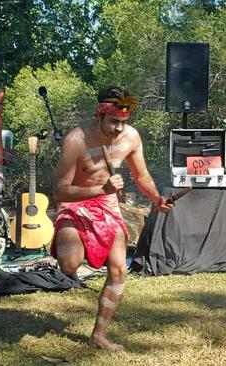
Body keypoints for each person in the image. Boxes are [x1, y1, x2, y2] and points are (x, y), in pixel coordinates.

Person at [51, 86, 174, 351]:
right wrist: (100, 189)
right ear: (99, 114)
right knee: (69, 265)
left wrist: (156, 199)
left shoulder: (131, 138)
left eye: (123, 122)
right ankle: (70, 241)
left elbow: (141, 175)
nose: (119, 128)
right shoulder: (77, 140)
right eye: (113, 122)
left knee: (119, 269)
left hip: (107, 205)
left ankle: (99, 335)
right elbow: (60, 190)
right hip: (76, 203)